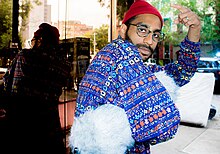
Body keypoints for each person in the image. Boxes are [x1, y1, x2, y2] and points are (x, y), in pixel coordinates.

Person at [69, 0, 201, 153]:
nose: (149, 41)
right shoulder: (118, 52)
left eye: (156, 35)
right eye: (142, 30)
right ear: (124, 30)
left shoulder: (135, 66)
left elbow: (181, 72)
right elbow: (162, 125)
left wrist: (194, 29)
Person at [2, 23, 71, 154]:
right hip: (49, 124)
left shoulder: (25, 57)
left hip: (22, 123)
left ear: (40, 41)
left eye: (34, 39)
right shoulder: (63, 64)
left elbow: (9, 86)